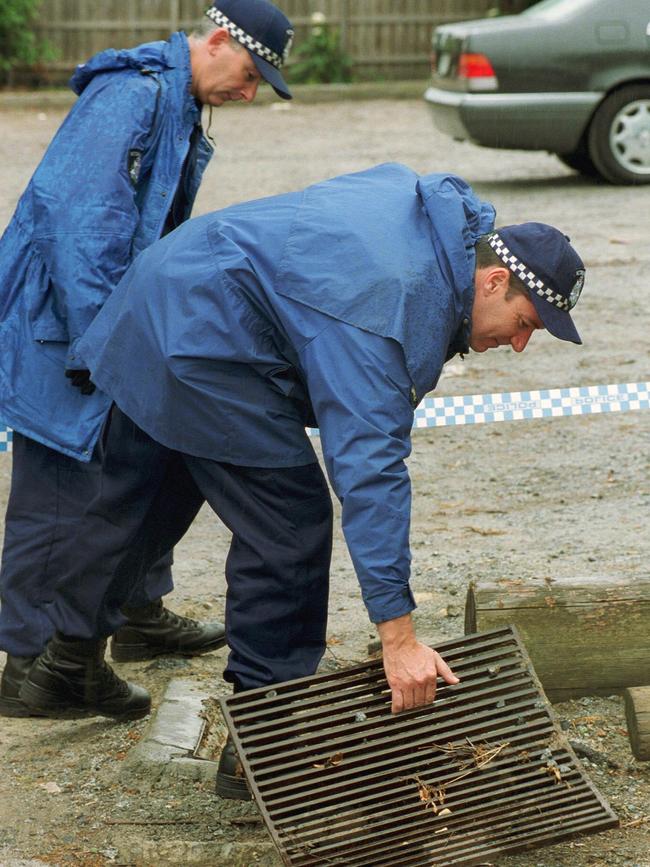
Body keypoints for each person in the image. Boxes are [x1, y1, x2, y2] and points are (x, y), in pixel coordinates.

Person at [17, 164, 585, 800]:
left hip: (161, 296)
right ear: (495, 279)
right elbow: (369, 470)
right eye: (527, 322)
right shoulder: (392, 302)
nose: (520, 345)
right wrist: (397, 638)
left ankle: (64, 665)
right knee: (290, 521)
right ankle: (260, 737)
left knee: (142, 498)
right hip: (207, 342)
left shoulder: (438, 224)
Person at [0, 0, 295, 718]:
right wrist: (96, 338)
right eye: (251, 75)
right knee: (61, 481)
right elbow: (79, 222)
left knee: (145, 456)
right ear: (219, 41)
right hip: (64, 320)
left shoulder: (173, 100)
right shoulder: (133, 93)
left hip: (97, 316)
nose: (249, 93)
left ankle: (130, 611)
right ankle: (27, 669)